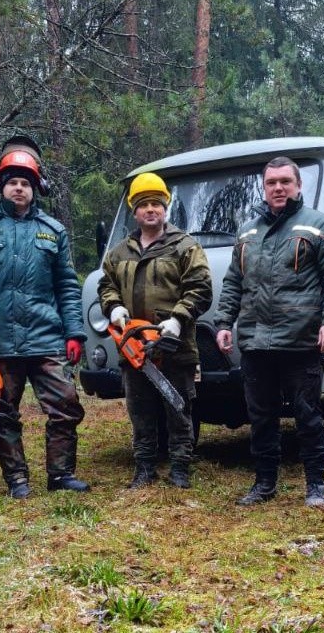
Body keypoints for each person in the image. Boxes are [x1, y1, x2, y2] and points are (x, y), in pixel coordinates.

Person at [0, 135, 89, 500]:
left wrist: (74, 332)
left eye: (25, 183)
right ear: (0, 186)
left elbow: (66, 285)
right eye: (12, 182)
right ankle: (16, 479)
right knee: (0, 412)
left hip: (47, 337)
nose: (18, 189)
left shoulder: (54, 231)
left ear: (36, 188)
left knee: (65, 407)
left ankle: (60, 475)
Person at [214, 157, 324, 507]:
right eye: (271, 182)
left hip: (300, 340)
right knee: (260, 417)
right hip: (255, 341)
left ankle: (315, 485)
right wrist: (224, 323)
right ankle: (264, 483)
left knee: (308, 415)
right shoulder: (247, 231)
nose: (278, 188)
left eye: (285, 181)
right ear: (264, 186)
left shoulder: (320, 227)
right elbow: (233, 283)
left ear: (298, 185)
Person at [98, 172, 212, 489]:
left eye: (156, 204)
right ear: (135, 211)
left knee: (178, 407)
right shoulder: (119, 252)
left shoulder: (185, 247)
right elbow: (106, 287)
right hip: (133, 347)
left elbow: (201, 289)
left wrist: (177, 318)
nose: (151, 210)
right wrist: (114, 306)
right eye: (144, 205)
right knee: (140, 411)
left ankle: (180, 468)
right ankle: (145, 467)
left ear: (165, 208)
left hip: (174, 346)